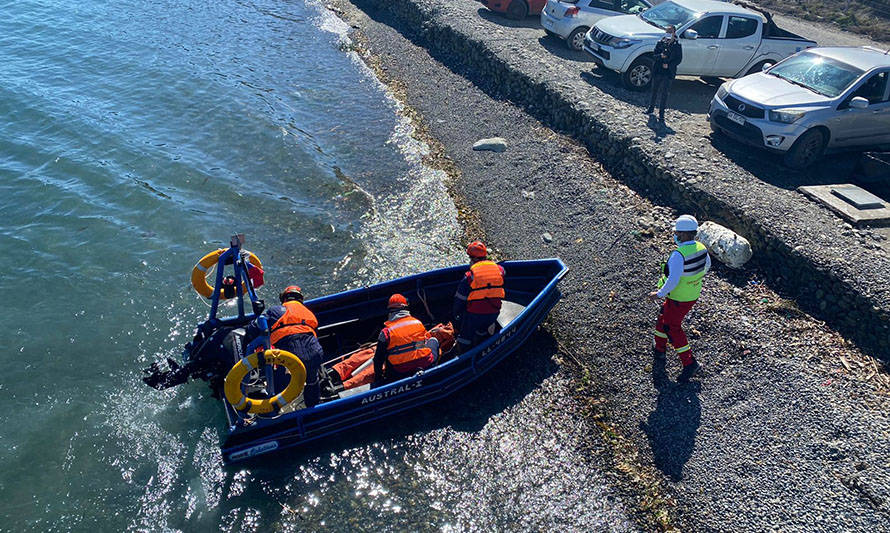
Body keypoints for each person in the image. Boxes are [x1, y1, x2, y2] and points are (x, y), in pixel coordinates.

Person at [648, 215, 710, 382]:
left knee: (671, 326)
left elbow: (673, 280)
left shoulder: (678, 254)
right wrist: (693, 279)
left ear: (682, 234)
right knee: (663, 317)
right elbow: (707, 266)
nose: (675, 235)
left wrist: (658, 294)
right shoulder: (701, 247)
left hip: (678, 297)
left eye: (676, 232)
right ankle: (659, 348)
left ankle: (689, 363)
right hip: (692, 294)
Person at [245, 285, 323, 407]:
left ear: (284, 299)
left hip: (290, 356)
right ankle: (313, 409)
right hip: (314, 353)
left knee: (278, 379)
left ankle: (272, 409)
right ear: (300, 299)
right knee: (312, 380)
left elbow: (252, 330)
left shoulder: (276, 310)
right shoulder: (310, 314)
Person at [453, 241, 505, 352]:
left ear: (473, 258)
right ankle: (481, 346)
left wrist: (456, 314)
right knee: (482, 331)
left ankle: (462, 356)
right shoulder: (500, 270)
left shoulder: (469, 276)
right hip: (494, 312)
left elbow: (460, 299)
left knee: (465, 337)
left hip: (474, 314)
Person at [373, 294, 438, 384]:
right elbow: (424, 342)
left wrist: (378, 378)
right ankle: (435, 370)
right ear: (405, 308)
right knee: (433, 340)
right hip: (424, 364)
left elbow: (378, 359)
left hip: (399, 371)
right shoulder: (417, 323)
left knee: (386, 353)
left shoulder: (386, 332)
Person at [645, 25, 682, 123]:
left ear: (674, 33)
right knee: (654, 90)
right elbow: (654, 55)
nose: (669, 33)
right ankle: (651, 108)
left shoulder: (677, 45)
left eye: (671, 31)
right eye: (667, 31)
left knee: (665, 93)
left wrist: (668, 65)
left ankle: (661, 114)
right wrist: (661, 56)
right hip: (658, 70)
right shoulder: (660, 43)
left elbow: (678, 59)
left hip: (668, 72)